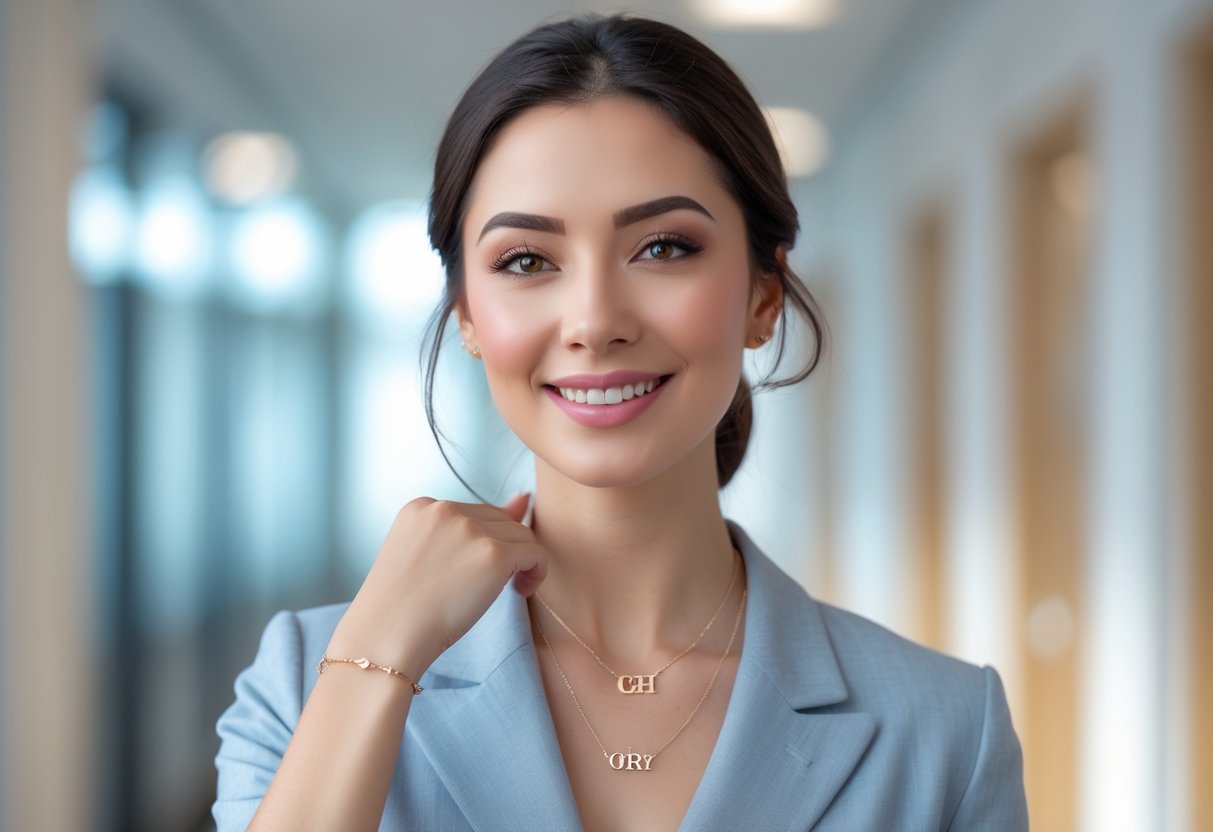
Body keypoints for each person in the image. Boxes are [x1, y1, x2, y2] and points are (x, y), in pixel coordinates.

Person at [213, 14, 1027, 831]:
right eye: (527, 261)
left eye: (664, 247)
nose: (594, 319)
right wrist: (377, 662)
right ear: (466, 316)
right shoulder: (304, 682)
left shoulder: (948, 734)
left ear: (761, 297)